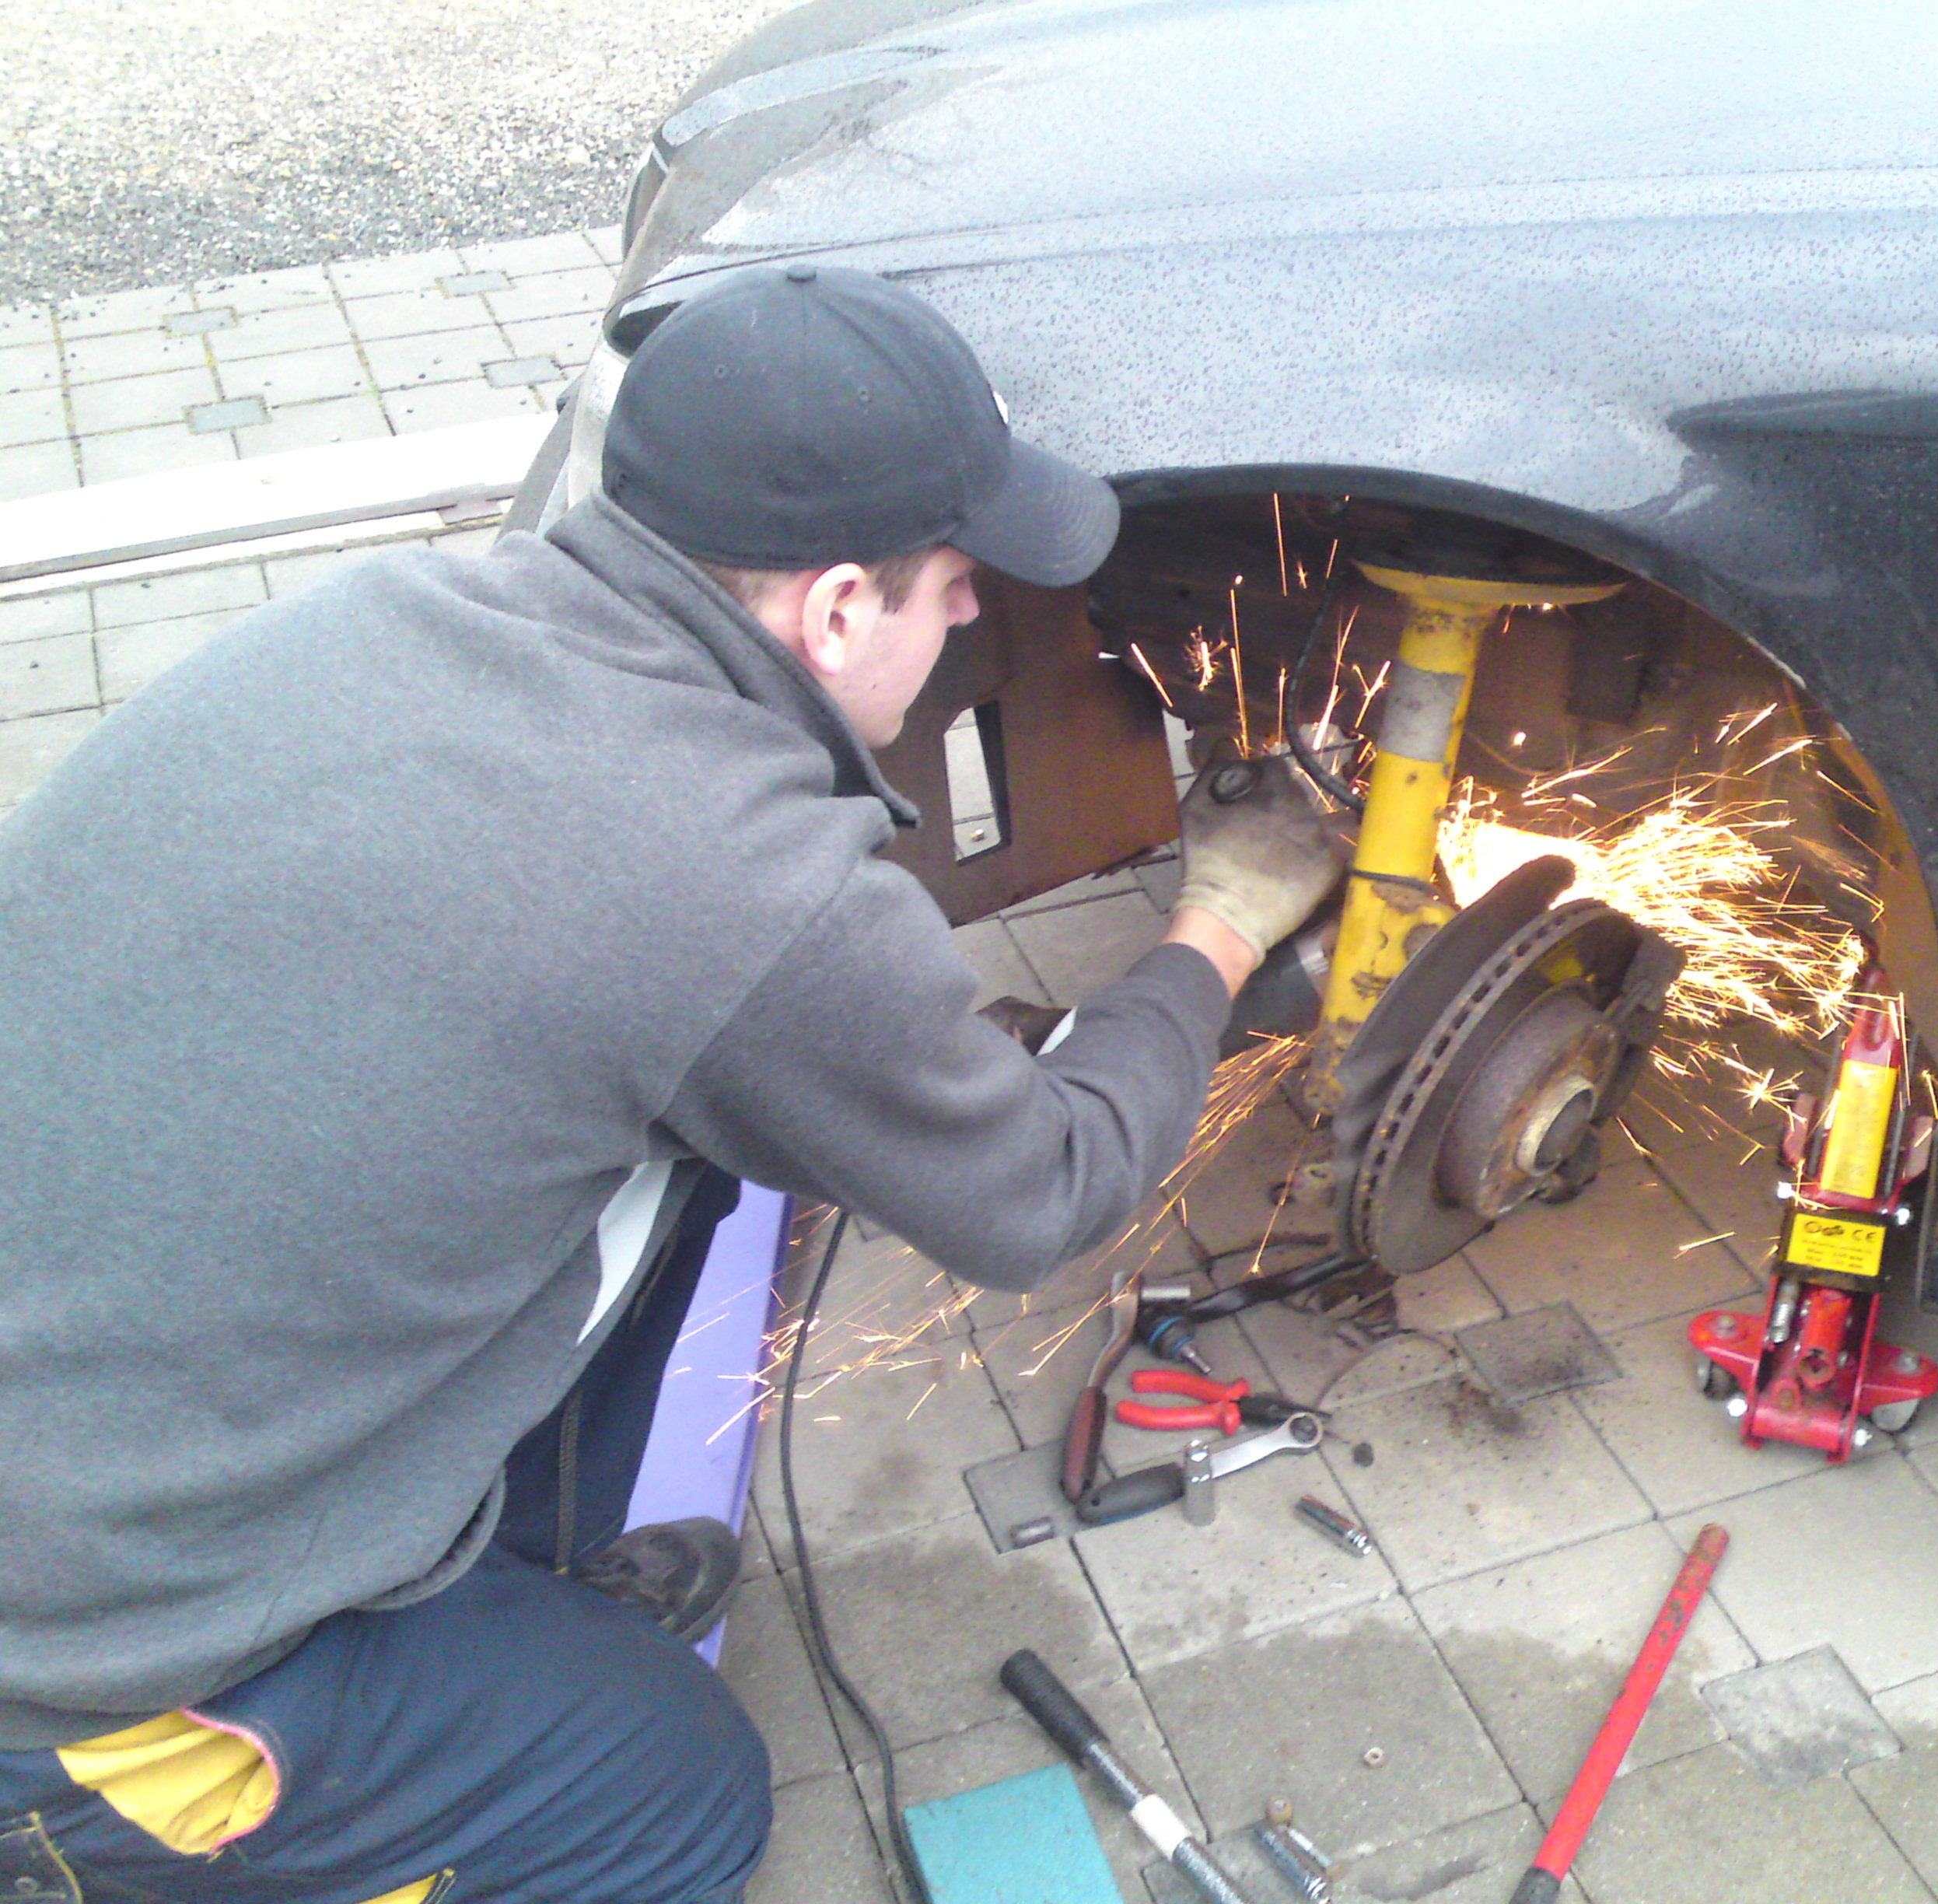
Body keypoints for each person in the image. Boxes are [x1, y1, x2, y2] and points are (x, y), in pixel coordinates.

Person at [0, 264, 1345, 1904]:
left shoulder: (382, 616)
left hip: (91, 1363)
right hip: (80, 1669)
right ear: (837, 611)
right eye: (954, 585)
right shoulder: (736, 879)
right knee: (676, 1798)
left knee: (700, 1151)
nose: (971, 617)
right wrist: (1224, 923)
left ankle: (493, 1592)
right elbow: (1042, 1192)